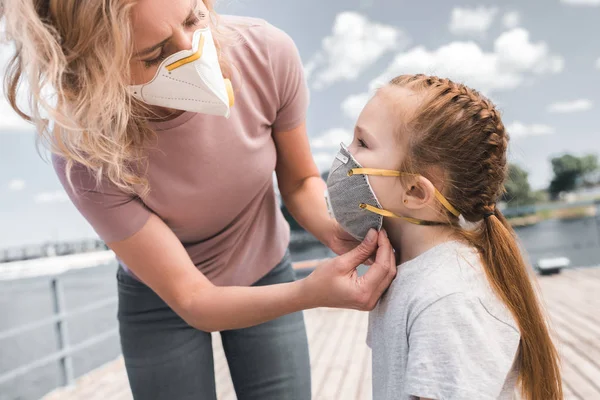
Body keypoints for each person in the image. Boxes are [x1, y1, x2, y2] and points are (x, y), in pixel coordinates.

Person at [0, 1, 396, 399]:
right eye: (155, 54)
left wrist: (333, 231)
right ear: (90, 69)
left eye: (193, 19)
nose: (193, 51)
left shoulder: (267, 52)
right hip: (161, 299)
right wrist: (311, 292)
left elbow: (298, 182)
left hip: (265, 264)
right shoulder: (82, 149)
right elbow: (194, 300)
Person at [324, 74, 562, 400]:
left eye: (362, 144)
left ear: (415, 190)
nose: (344, 155)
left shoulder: (448, 298)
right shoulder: (409, 271)